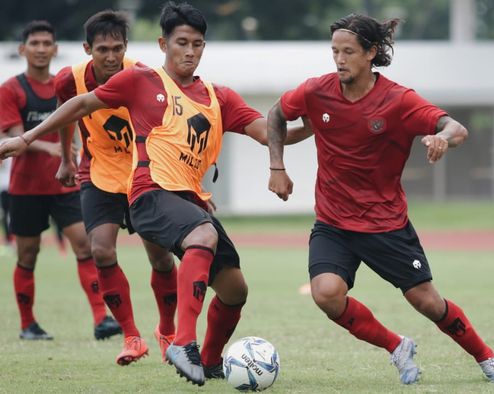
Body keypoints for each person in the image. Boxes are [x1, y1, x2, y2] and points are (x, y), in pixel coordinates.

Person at [0, 2, 311, 386]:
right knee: (194, 236)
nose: (190, 51)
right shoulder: (139, 81)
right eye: (182, 42)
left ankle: (209, 363)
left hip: (188, 200)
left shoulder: (220, 97)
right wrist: (27, 137)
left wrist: (313, 126)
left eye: (198, 44)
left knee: (234, 290)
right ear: (164, 43)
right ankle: (179, 341)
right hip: (147, 193)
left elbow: (269, 132)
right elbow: (81, 103)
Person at [267, 13, 494, 385]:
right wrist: (277, 167)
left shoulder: (398, 100)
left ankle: (486, 356)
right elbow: (276, 115)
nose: (339, 59)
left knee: (427, 302)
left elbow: (455, 127)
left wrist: (442, 138)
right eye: (334, 51)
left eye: (348, 51)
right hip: (333, 223)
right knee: (326, 293)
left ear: (371, 53)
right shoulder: (316, 91)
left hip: (385, 225)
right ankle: (396, 346)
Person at [53, 10, 178, 366]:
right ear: (87, 48)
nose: (111, 57)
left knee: (161, 257)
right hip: (98, 173)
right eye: (103, 49)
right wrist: (67, 157)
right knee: (101, 251)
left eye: (117, 49)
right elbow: (67, 113)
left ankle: (167, 331)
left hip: (144, 173)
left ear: (126, 47)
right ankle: (131, 337)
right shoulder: (69, 80)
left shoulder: (146, 77)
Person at [0, 20, 120, 341]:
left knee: (85, 245)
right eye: (34, 43)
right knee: (28, 254)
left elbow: (80, 120)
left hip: (65, 185)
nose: (41, 49)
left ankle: (101, 320)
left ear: (55, 49)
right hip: (25, 188)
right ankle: (28, 325)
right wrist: (51, 146)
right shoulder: (11, 89)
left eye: (47, 43)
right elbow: (14, 135)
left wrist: (72, 152)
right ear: (23, 50)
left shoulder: (66, 85)